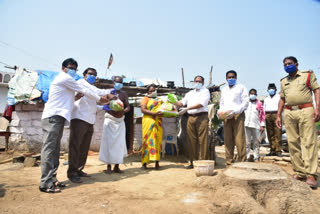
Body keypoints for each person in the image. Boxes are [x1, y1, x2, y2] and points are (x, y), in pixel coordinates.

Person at [39, 58, 109, 193]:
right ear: (63, 68)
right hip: (53, 117)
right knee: (50, 150)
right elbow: (86, 90)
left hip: (58, 117)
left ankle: (52, 179)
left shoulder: (67, 83)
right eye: (70, 67)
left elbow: (69, 99)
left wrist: (76, 98)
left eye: (74, 68)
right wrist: (102, 98)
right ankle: (45, 182)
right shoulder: (65, 78)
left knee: (54, 150)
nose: (72, 70)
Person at [276, 56, 320, 189]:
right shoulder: (284, 81)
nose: (287, 66)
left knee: (308, 141)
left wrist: (317, 107)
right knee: (293, 142)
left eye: (290, 63)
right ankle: (300, 172)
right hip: (289, 112)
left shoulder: (307, 75)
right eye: (285, 64)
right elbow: (282, 99)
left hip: (305, 109)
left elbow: (316, 90)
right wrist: (279, 115)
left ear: (296, 64)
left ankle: (311, 174)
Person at [67, 68, 112, 183]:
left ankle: (79, 169)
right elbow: (96, 91)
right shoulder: (81, 84)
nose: (92, 76)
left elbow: (92, 105)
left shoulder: (90, 89)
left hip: (89, 120)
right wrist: (111, 91)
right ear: (84, 75)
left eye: (94, 75)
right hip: (79, 118)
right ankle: (72, 172)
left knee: (84, 147)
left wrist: (103, 107)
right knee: (76, 146)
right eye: (90, 74)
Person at [174, 76, 210, 169]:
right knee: (191, 140)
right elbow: (182, 102)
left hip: (202, 117)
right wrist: (174, 102)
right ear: (193, 82)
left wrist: (187, 108)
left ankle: (203, 162)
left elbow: (202, 104)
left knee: (203, 140)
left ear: (203, 82)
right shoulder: (190, 93)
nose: (197, 83)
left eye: (199, 81)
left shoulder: (205, 91)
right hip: (190, 117)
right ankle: (193, 162)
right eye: (196, 81)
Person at [99, 76, 130, 174]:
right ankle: (108, 166)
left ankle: (117, 166)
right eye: (117, 82)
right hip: (110, 120)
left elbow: (128, 106)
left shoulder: (124, 94)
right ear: (113, 82)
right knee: (108, 143)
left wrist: (123, 110)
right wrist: (111, 106)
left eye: (121, 82)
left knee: (119, 144)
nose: (118, 84)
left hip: (120, 121)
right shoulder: (107, 93)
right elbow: (103, 105)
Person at [218, 70, 249, 165]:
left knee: (239, 139)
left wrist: (235, 112)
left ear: (236, 78)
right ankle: (229, 161)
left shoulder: (241, 87)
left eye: (233, 77)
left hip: (238, 115)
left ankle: (242, 161)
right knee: (228, 139)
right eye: (229, 77)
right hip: (226, 116)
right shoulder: (224, 90)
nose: (231, 79)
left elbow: (245, 103)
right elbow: (222, 103)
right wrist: (219, 112)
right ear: (226, 78)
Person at [140, 84, 163, 170]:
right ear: (147, 92)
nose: (153, 92)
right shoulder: (145, 99)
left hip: (158, 122)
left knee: (157, 141)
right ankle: (144, 163)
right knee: (146, 141)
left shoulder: (160, 100)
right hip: (148, 122)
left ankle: (157, 163)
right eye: (151, 91)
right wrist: (154, 114)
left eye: (154, 90)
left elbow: (165, 109)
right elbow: (143, 109)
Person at [244, 88, 265, 162]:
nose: (252, 95)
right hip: (246, 125)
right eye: (251, 94)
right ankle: (247, 157)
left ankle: (256, 157)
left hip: (256, 125)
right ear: (249, 95)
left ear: (256, 95)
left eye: (254, 94)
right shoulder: (246, 103)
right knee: (247, 143)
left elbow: (262, 115)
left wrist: (262, 125)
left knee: (256, 143)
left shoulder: (259, 104)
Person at [263, 83, 282, 156]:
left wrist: (279, 116)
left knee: (277, 132)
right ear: (268, 90)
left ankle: (278, 150)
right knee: (270, 133)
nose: (271, 90)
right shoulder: (266, 99)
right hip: (268, 115)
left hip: (276, 114)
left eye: (273, 88)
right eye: (270, 88)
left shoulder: (279, 97)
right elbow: (264, 109)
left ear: (275, 89)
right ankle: (272, 149)